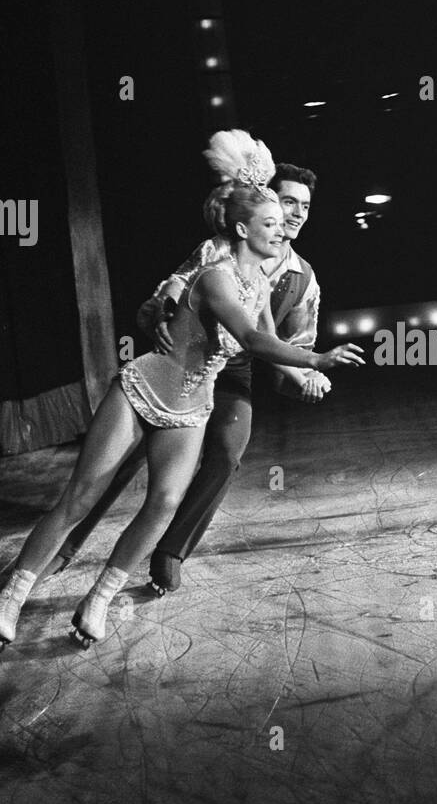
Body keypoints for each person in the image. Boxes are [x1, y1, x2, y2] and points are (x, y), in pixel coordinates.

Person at [0, 131, 363, 653]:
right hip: (151, 383)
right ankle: (16, 590)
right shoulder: (216, 269)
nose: (286, 225)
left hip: (200, 397)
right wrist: (316, 357)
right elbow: (250, 334)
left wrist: (308, 374)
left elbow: (270, 344)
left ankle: (100, 598)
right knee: (83, 492)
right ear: (245, 225)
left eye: (295, 214)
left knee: (165, 500)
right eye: (275, 216)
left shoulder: (283, 280)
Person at [46, 162, 326, 596]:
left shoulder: (303, 279)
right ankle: (65, 547)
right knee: (127, 454)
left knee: (228, 452)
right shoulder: (219, 248)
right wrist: (164, 306)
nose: (296, 213)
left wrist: (309, 374)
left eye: (304, 206)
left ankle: (170, 552)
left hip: (235, 370)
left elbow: (283, 342)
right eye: (287, 201)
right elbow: (176, 283)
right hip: (184, 360)